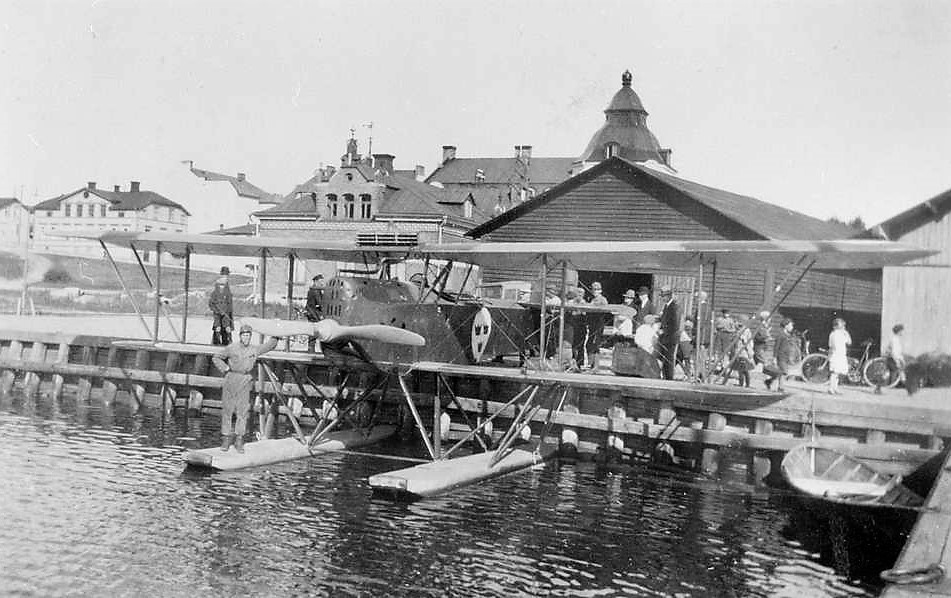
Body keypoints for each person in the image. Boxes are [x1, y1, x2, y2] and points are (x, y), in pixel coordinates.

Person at [212, 324, 278, 453]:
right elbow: (216, 357)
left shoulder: (254, 350)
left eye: (248, 335)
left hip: (245, 380)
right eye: (244, 335)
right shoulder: (231, 348)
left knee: (242, 412)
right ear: (240, 336)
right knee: (228, 410)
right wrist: (225, 368)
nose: (246, 338)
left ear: (250, 337)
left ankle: (239, 440)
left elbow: (270, 345)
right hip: (231, 379)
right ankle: (226, 438)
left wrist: (277, 334)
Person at [765, 318, 801, 391]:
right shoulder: (781, 335)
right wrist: (774, 358)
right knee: (783, 372)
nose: (792, 327)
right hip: (780, 356)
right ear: (786, 326)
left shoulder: (788, 335)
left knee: (780, 372)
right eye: (791, 325)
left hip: (786, 357)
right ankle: (781, 388)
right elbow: (776, 346)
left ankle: (769, 381)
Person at [656, 285, 681, 380]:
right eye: (661, 296)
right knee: (664, 358)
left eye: (663, 296)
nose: (662, 298)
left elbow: (675, 324)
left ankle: (669, 378)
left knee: (669, 359)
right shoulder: (666, 306)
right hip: (665, 337)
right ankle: (666, 376)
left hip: (671, 337)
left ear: (668, 296)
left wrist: (663, 330)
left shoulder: (674, 306)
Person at [585, 281, 608, 369]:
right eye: (593, 290)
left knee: (596, 344)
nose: (595, 291)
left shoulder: (603, 299)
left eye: (597, 290)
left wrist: (596, 306)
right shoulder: (591, 299)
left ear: (600, 291)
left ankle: (595, 366)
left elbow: (605, 309)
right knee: (589, 343)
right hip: (592, 324)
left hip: (599, 324)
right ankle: (591, 364)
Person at [209, 266, 233, 346]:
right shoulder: (216, 289)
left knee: (227, 328)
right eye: (224, 275)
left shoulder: (227, 287)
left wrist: (228, 312)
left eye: (227, 276)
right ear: (221, 275)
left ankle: (228, 342)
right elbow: (212, 303)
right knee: (218, 327)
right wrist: (218, 311)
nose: (226, 277)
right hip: (218, 313)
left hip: (226, 313)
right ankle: (217, 342)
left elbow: (229, 301)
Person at [828, 317, 852, 395]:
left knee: (837, 373)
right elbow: (848, 342)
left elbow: (848, 342)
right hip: (837, 355)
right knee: (835, 373)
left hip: (839, 354)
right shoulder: (837, 334)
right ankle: (831, 388)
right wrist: (846, 333)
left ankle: (835, 388)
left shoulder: (835, 334)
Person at [731, 314, 754, 387]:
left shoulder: (746, 331)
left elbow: (749, 342)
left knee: (744, 369)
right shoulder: (738, 330)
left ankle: (747, 384)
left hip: (744, 353)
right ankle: (741, 384)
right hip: (738, 351)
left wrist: (749, 351)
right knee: (739, 369)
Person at [305, 274, 325, 351]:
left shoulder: (314, 290)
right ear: (316, 282)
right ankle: (311, 349)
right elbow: (320, 303)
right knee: (315, 331)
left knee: (314, 331)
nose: (322, 284)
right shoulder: (315, 291)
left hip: (312, 312)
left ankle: (311, 349)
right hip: (313, 313)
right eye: (320, 282)